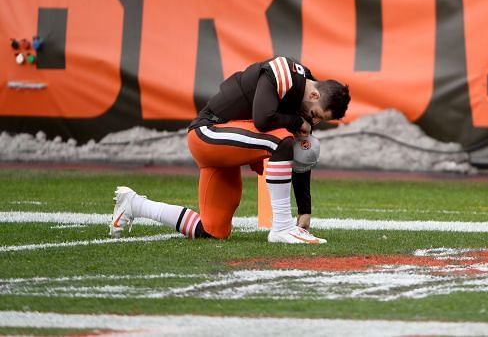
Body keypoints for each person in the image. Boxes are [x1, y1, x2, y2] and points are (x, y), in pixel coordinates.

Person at [109, 55, 350, 244]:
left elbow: (301, 155)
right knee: (282, 140)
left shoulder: (303, 100)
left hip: (223, 150)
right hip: (208, 133)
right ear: (314, 94)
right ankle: (282, 227)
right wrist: (297, 123)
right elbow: (263, 119)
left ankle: (134, 204)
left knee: (213, 231)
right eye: (315, 115)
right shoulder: (285, 73)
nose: (312, 122)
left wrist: (305, 210)